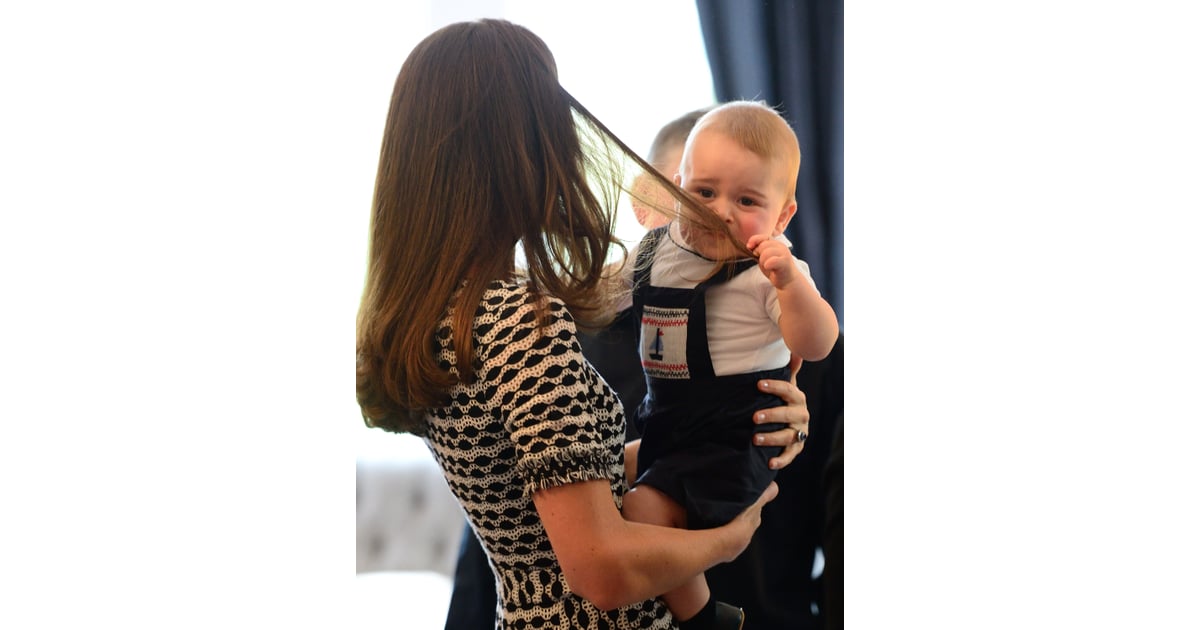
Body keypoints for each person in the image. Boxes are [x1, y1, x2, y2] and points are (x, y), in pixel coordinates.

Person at [355, 20, 811, 630]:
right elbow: (599, 569)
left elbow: (548, 482)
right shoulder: (518, 319)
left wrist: (736, 428)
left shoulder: (454, 313)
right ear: (517, 145)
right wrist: (727, 539)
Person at [620, 101, 841, 629]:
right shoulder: (627, 286)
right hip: (621, 602)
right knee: (640, 503)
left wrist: (793, 286)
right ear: (659, 196)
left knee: (651, 506)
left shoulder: (774, 287)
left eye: (744, 199)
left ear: (781, 215)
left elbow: (818, 340)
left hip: (763, 601)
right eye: (700, 194)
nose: (716, 213)